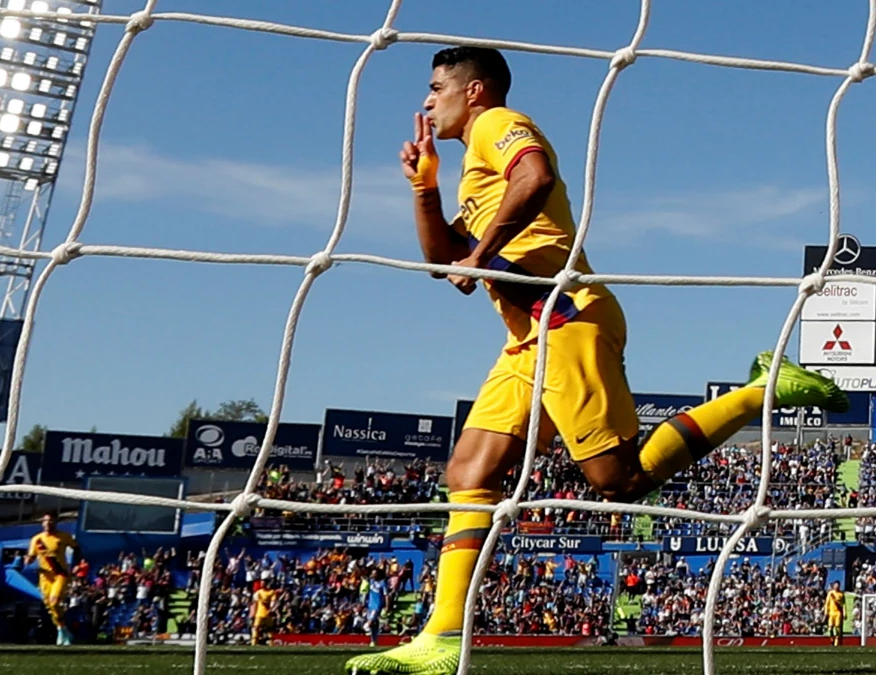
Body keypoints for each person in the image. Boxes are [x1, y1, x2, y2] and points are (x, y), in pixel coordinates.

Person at [344, 45, 848, 674]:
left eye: (436, 87)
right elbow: (442, 260)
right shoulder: (471, 165)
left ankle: (761, 389)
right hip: (528, 335)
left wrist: (484, 252)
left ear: (474, 92)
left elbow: (537, 178)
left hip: (567, 320)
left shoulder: (498, 125)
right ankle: (442, 641)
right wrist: (424, 186)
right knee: (469, 472)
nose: (426, 100)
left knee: (620, 483)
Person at [26, 510, 81, 645]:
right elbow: (31, 556)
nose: (48, 523)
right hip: (45, 577)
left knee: (54, 601)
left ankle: (62, 631)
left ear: (56, 522)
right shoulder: (37, 539)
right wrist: (28, 559)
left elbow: (77, 549)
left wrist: (78, 564)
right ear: (42, 523)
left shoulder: (63, 537)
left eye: (51, 520)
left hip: (59, 574)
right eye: (45, 520)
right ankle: (62, 629)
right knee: (51, 607)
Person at [250, 579, 278, 646]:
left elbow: (273, 602)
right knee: (256, 628)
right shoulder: (258, 592)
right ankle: (253, 643)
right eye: (261, 583)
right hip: (259, 614)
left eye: (263, 583)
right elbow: (254, 603)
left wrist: (271, 609)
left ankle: (272, 644)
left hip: (268, 614)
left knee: (270, 629)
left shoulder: (271, 592)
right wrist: (252, 612)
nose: (262, 585)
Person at [825, 580, 845, 646]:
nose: (837, 586)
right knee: (830, 628)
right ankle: (832, 640)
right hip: (831, 613)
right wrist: (826, 611)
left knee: (837, 628)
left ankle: (836, 643)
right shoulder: (830, 593)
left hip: (838, 613)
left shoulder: (841, 594)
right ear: (833, 586)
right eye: (835, 585)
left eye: (838, 585)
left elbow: (844, 604)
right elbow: (827, 603)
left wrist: (845, 613)